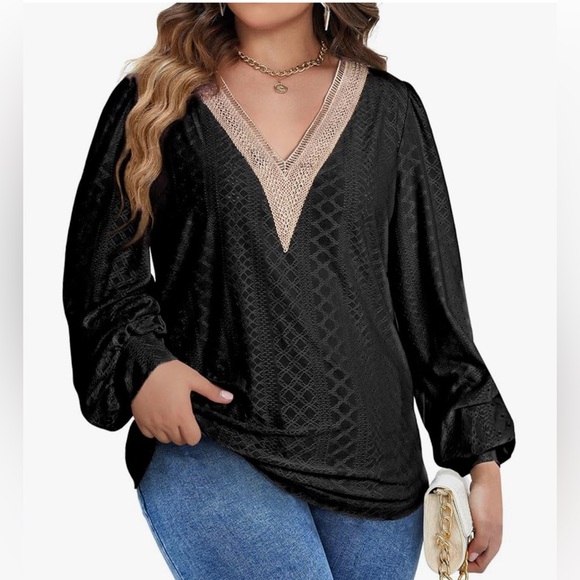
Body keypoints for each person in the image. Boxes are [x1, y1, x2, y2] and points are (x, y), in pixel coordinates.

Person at [62, 3, 516, 579]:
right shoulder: (156, 99)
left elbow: (431, 299)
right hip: (215, 437)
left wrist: (479, 457)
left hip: (378, 467)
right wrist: (145, 364)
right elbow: (99, 272)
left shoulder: (390, 110)